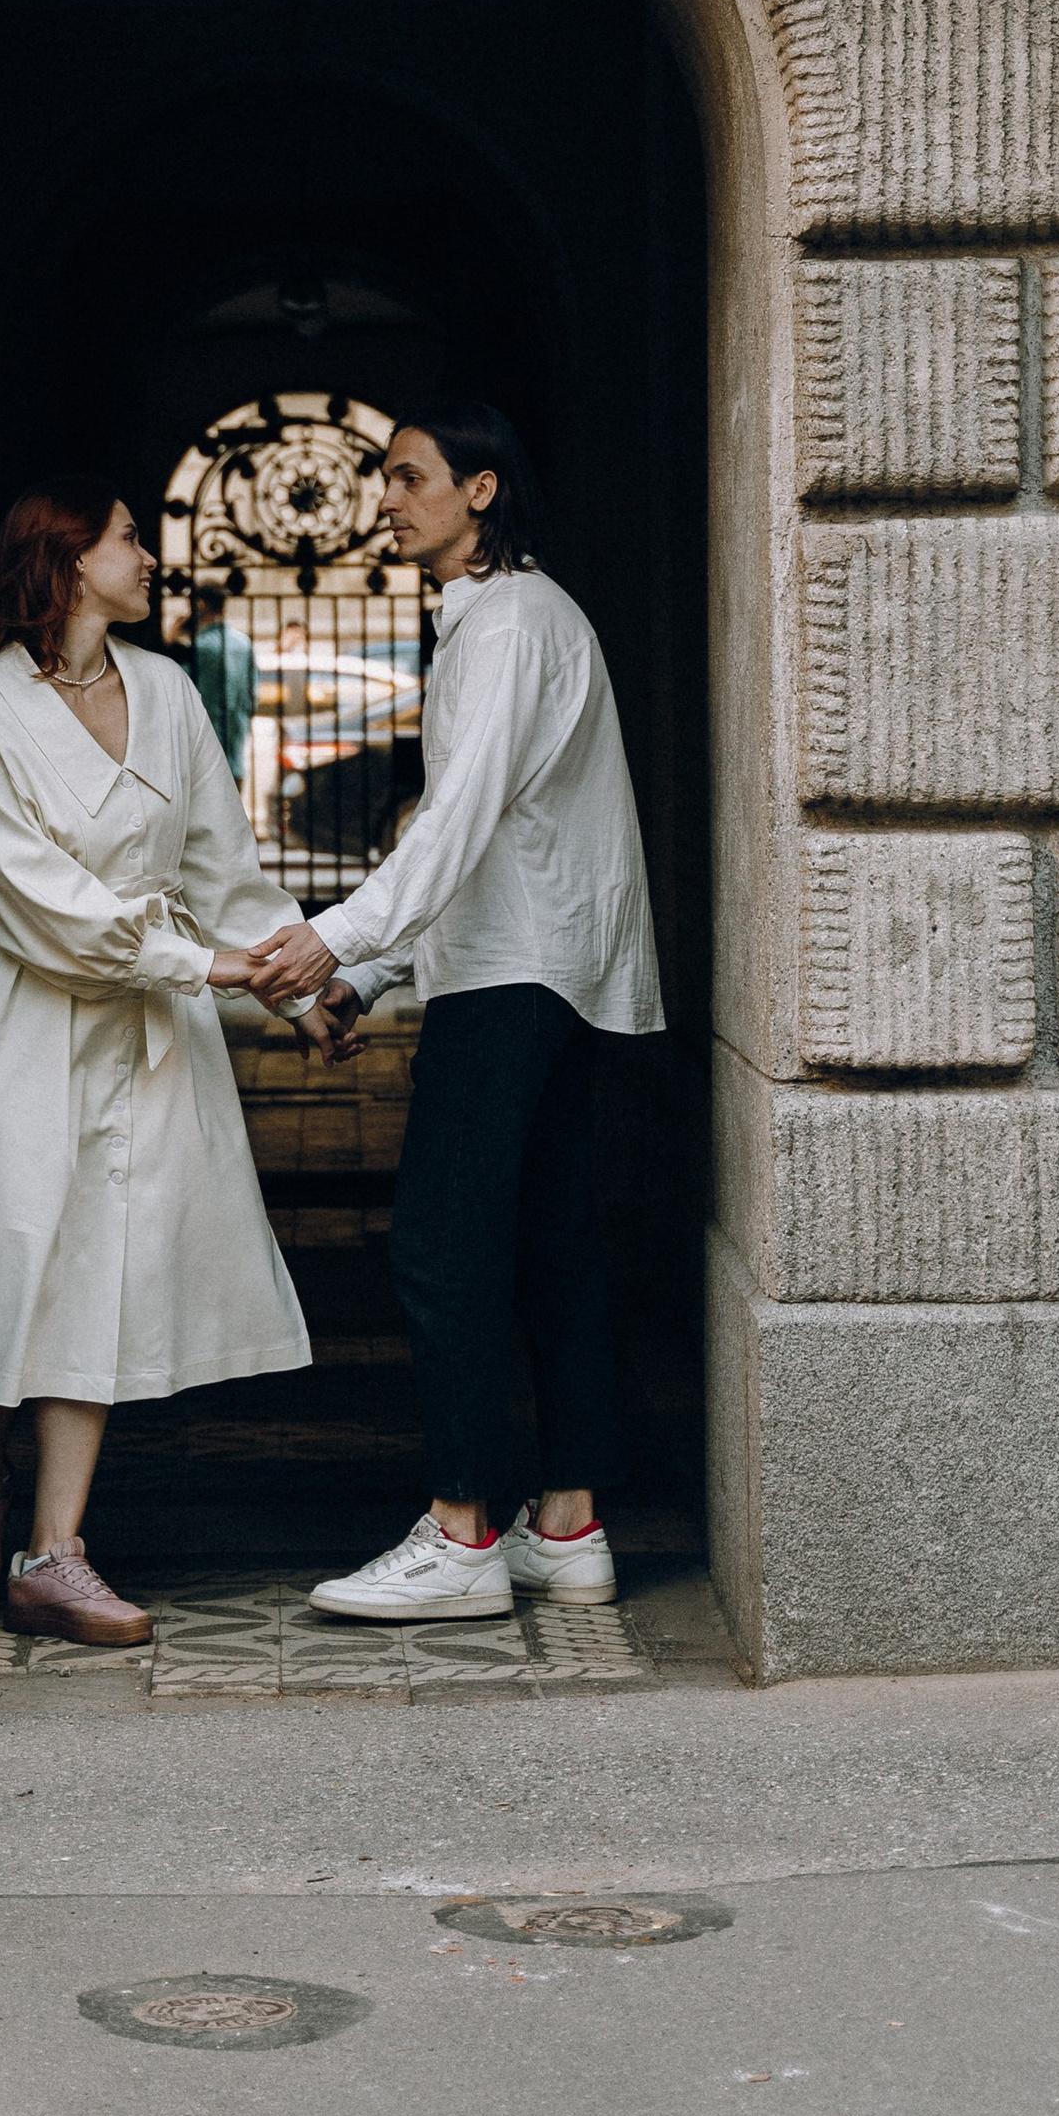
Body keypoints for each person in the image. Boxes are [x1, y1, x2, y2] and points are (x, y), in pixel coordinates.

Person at [0, 477, 345, 1647]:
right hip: (31, 1015)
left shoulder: (169, 691)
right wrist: (206, 970)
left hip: (151, 1020)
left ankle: (57, 1552)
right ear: (68, 560)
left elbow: (217, 859)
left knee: (99, 1266)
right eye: (131, 538)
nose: (150, 556)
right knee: (11, 1250)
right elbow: (42, 906)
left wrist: (296, 980)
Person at [245, 404, 661, 1621]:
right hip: (546, 969)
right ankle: (568, 1527)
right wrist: (364, 979)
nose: (387, 496)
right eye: (383, 477)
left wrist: (334, 939)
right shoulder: (514, 617)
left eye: (410, 476)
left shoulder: (512, 623)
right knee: (546, 1249)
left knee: (439, 1247)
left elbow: (457, 820)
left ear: (482, 488)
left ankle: (463, 1529)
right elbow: (480, 837)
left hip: (517, 980)